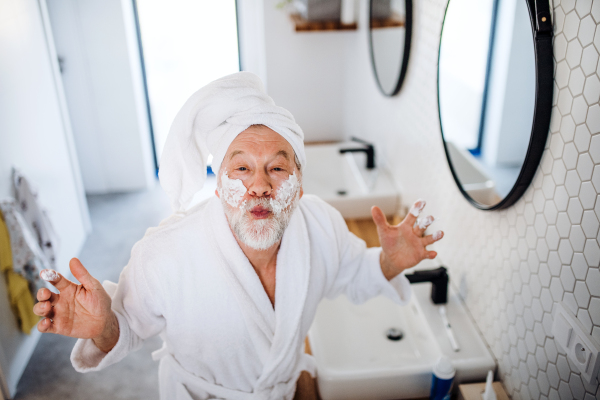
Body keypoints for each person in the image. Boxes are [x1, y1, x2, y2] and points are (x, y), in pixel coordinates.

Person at [32, 72, 443, 400]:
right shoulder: (165, 253)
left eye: (277, 169)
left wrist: (390, 261)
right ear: (218, 184)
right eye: (242, 168)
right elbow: (129, 327)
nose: (260, 185)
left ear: (299, 184)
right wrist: (104, 324)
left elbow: (354, 272)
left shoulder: (321, 225)